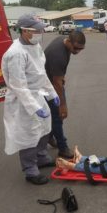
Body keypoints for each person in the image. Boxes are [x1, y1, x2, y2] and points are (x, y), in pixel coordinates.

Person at [1, 13, 60, 185]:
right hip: (22, 101)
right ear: (25, 31)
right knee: (28, 135)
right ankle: (30, 170)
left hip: (37, 95)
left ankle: (41, 157)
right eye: (37, 30)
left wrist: (52, 94)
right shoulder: (16, 53)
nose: (40, 33)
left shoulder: (35, 46)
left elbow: (41, 74)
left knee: (45, 128)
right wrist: (34, 107)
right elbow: (18, 85)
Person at [44, 31, 86, 159]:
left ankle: (50, 137)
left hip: (52, 79)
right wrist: (63, 105)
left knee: (55, 116)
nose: (78, 51)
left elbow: (58, 78)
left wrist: (61, 77)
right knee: (58, 115)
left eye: (81, 49)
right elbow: (57, 83)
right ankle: (63, 148)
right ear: (68, 42)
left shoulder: (65, 41)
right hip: (48, 86)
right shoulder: (58, 55)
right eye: (76, 48)